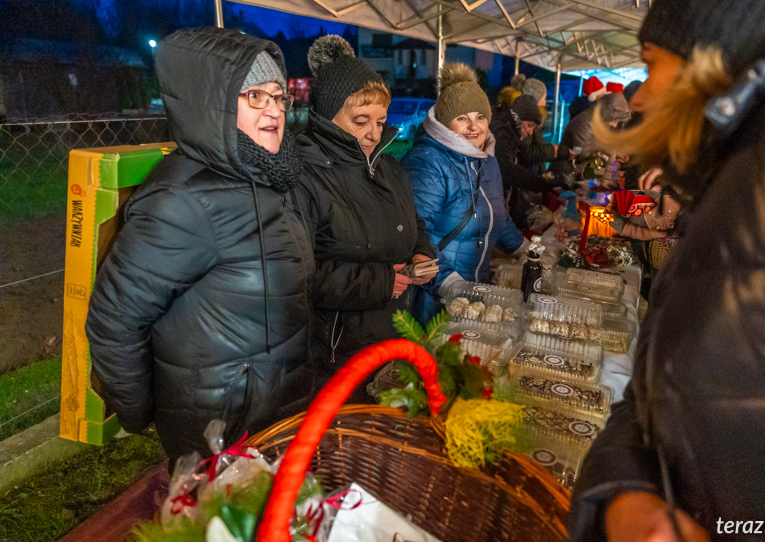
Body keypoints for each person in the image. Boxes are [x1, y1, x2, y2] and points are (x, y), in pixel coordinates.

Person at [569, 0, 765, 540]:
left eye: (651, 65)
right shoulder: (745, 167)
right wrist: (627, 492)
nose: (643, 95)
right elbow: (658, 387)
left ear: (714, 54)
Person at [85, 27, 315, 462]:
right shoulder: (182, 200)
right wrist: (146, 414)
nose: (274, 110)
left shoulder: (270, 177)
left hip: (277, 415)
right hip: (218, 434)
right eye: (255, 97)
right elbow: (114, 322)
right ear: (211, 105)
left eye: (279, 97)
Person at [294, 36, 437, 394]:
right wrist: (381, 283)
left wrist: (421, 251)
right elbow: (300, 275)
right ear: (330, 116)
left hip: (392, 335)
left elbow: (412, 220)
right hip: (337, 354)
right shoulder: (305, 176)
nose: (374, 133)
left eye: (381, 120)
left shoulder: (387, 166)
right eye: (361, 121)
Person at [401, 62, 528, 324]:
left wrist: (526, 250)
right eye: (462, 118)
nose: (474, 126)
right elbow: (416, 232)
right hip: (430, 299)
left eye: (480, 117)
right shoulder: (427, 161)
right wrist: (451, 284)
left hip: (475, 294)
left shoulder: (486, 158)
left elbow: (497, 216)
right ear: (446, 123)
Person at [490, 94, 557, 228]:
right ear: (518, 119)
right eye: (529, 125)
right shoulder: (502, 131)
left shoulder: (510, 131)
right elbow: (506, 170)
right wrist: (541, 184)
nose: (530, 132)